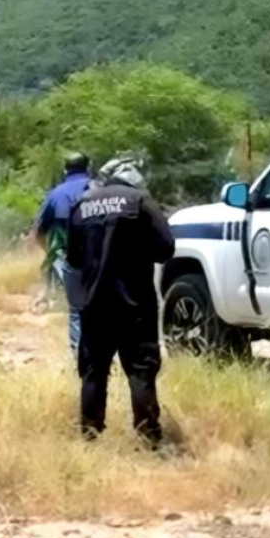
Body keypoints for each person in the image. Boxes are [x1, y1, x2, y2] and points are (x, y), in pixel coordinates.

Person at [67, 157, 175, 445]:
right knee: (140, 371)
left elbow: (73, 259)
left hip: (94, 305)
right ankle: (148, 437)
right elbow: (166, 249)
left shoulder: (82, 205)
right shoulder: (140, 202)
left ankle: (90, 436)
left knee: (93, 371)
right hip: (135, 305)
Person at [33, 153, 91, 355]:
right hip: (103, 258)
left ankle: (80, 360)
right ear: (88, 168)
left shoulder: (55, 195)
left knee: (77, 310)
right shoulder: (101, 189)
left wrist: (52, 254)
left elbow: (39, 233)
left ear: (65, 170)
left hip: (70, 258)